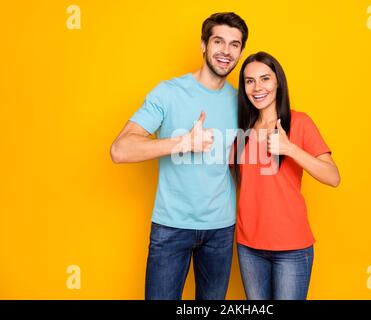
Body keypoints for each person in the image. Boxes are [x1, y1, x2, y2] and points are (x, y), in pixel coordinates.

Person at [110, 12, 249, 300]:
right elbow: (120, 150)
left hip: (220, 230)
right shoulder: (168, 93)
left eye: (234, 44)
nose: (226, 51)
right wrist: (183, 142)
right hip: (171, 227)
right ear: (203, 45)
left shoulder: (241, 102)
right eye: (218, 41)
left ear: (241, 51)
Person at [233, 51, 340, 300]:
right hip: (249, 246)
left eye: (265, 79)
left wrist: (290, 148)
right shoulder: (242, 131)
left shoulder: (299, 122)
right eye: (249, 81)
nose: (257, 87)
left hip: (291, 248)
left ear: (278, 82)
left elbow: (333, 176)